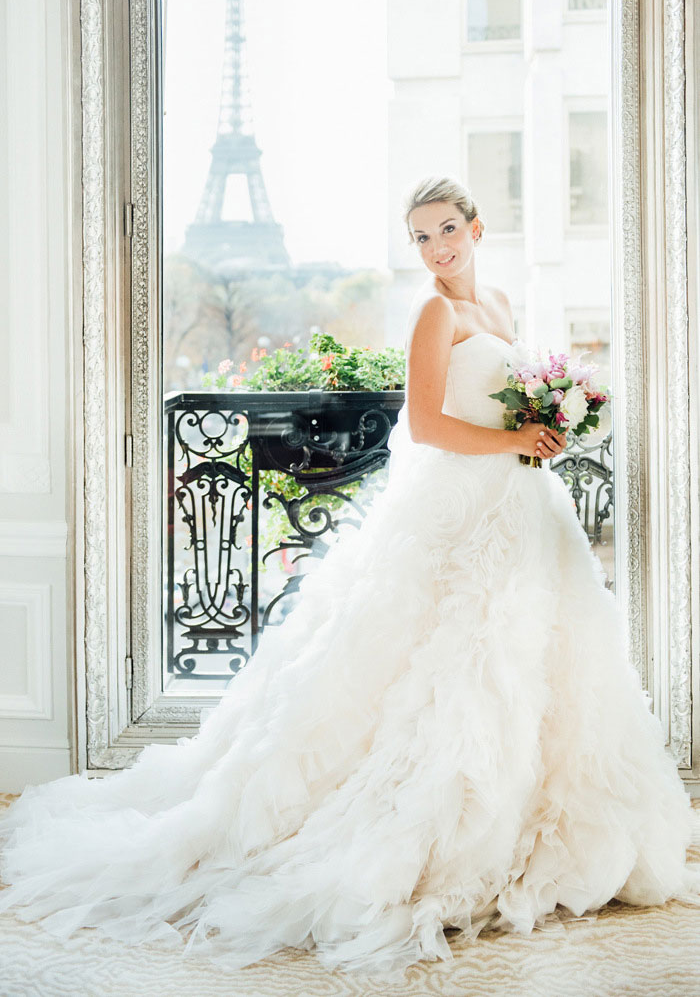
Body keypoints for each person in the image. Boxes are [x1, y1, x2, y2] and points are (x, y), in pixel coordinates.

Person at [1, 175, 700, 981]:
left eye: (446, 230)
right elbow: (430, 423)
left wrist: (543, 428)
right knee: (442, 672)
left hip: (518, 508)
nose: (437, 249)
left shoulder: (500, 305)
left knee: (536, 663)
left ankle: (536, 816)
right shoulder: (433, 312)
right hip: (454, 511)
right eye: (421, 238)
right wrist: (515, 441)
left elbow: (501, 407)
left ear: (476, 228)